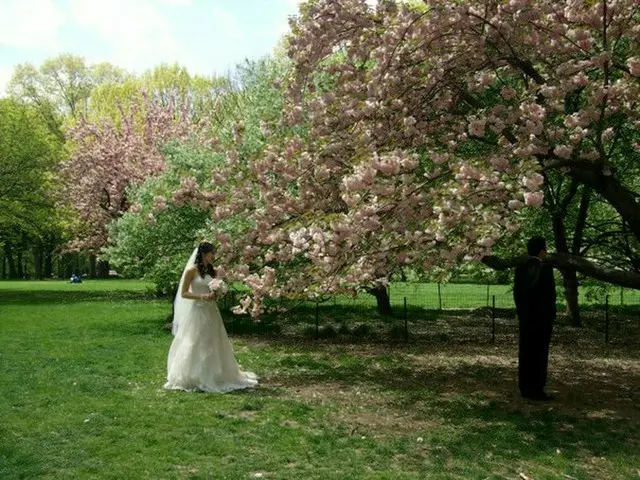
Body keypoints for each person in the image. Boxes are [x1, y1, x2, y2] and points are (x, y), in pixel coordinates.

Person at [164, 242, 258, 393]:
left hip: (211, 311)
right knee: (196, 341)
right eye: (212, 253)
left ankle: (217, 373)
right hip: (198, 311)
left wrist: (218, 292)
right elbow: (184, 294)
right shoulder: (191, 271)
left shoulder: (211, 271)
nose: (214, 256)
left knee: (214, 340)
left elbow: (213, 288)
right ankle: (194, 374)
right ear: (203, 253)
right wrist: (203, 296)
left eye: (214, 253)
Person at [513, 236, 556, 401]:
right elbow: (548, 296)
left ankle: (525, 387)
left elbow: (519, 294)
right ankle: (537, 389)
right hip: (542, 320)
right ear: (542, 250)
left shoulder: (521, 267)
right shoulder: (545, 268)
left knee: (525, 352)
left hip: (526, 319)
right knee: (540, 354)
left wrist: (522, 314)